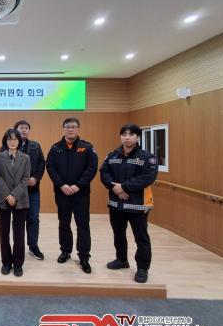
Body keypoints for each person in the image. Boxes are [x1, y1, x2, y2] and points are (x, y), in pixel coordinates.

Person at [99, 123, 158, 283]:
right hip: (116, 204)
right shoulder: (112, 156)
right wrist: (114, 187)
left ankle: (142, 268)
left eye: (131, 134)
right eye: (124, 134)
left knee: (141, 238)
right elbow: (104, 173)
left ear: (137, 137)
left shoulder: (147, 157)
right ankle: (121, 259)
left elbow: (148, 177)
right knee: (118, 234)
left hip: (138, 205)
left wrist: (123, 187)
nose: (127, 137)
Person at [46, 117, 98, 274]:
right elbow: (50, 168)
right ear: (63, 128)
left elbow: (92, 168)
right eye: (68, 126)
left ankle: (84, 257)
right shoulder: (55, 148)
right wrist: (62, 185)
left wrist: (77, 185)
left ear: (78, 129)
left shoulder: (87, 147)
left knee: (83, 225)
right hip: (62, 193)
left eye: (74, 126)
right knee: (64, 223)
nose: (70, 129)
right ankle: (65, 251)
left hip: (81, 193)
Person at [0, 128, 31, 277]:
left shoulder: (26, 158)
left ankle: (18, 264)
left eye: (15, 139)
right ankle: (6, 263)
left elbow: (25, 178)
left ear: (19, 141)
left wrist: (14, 195)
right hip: (3, 199)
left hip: (21, 199)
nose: (12, 142)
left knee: (19, 234)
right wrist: (8, 196)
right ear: (6, 141)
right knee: (4, 233)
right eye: (10, 139)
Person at [13, 120, 46, 260]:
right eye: (21, 128)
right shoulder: (8, 145)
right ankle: (17, 246)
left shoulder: (35, 145)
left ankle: (33, 246)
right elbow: (3, 166)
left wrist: (36, 178)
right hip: (15, 191)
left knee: (33, 218)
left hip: (33, 190)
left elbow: (42, 163)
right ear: (15, 130)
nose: (24, 130)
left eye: (26, 128)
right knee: (17, 220)